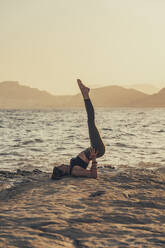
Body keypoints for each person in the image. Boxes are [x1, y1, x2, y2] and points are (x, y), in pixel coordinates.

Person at [51, 79, 105, 179]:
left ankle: (85, 94)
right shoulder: (74, 171)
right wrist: (93, 159)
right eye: (59, 166)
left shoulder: (72, 168)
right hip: (97, 149)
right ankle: (85, 95)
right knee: (90, 121)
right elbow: (93, 175)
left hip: (94, 148)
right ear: (62, 170)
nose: (61, 164)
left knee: (90, 120)